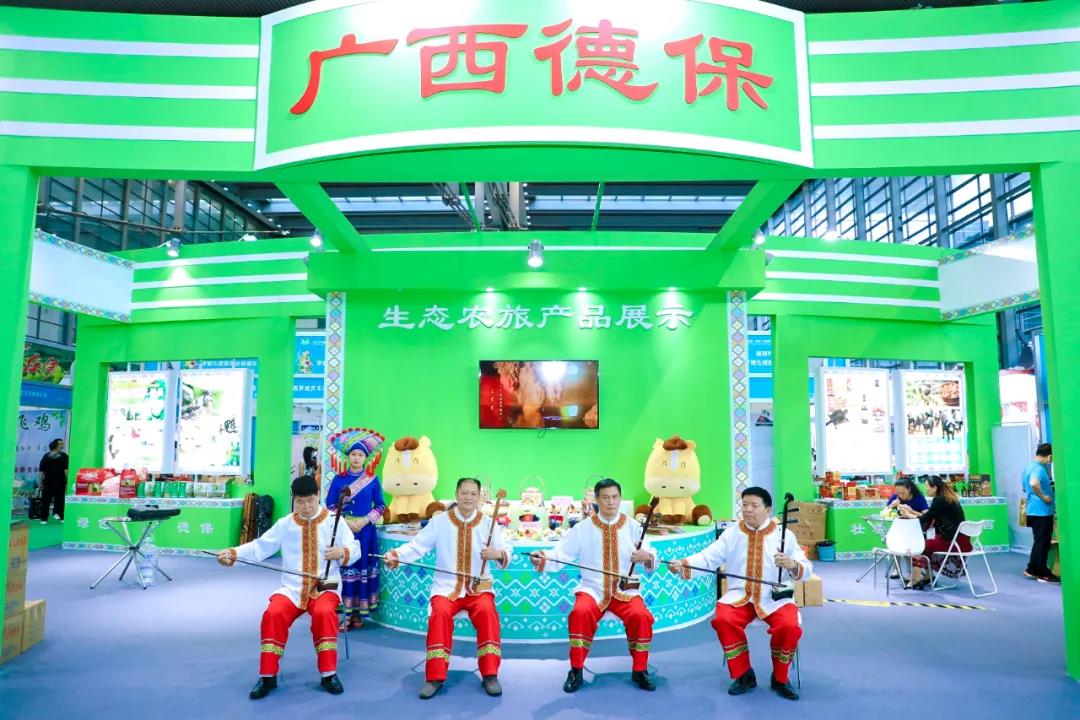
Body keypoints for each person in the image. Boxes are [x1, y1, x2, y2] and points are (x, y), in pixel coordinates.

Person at [217, 475, 360, 700]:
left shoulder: (335, 520)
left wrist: (341, 552)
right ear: (294, 500)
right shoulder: (285, 524)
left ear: (318, 496)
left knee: (324, 612)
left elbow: (355, 548)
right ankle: (267, 676)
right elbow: (260, 547)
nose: (306, 507)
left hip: (326, 585)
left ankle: (328, 674)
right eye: (300, 502)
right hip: (293, 588)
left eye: (310, 500)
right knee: (273, 613)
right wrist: (233, 553)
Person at [667, 487, 810, 701]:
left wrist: (792, 565)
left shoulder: (785, 535)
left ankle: (780, 677)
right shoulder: (732, 533)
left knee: (789, 626)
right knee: (723, 619)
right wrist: (683, 564)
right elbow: (709, 557)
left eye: (754, 505)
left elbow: (805, 568)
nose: (748, 510)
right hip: (740, 595)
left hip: (775, 598)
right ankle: (743, 675)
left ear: (768, 510)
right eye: (745, 505)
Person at [383, 477, 510, 700]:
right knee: (439, 614)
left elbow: (506, 549)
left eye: (473, 493)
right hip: (446, 588)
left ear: (479, 497)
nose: (468, 497)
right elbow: (417, 546)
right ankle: (435, 677)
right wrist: (396, 556)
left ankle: (490, 674)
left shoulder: (489, 523)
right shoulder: (440, 522)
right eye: (464, 492)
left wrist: (497, 554)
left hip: (479, 588)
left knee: (488, 612)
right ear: (456, 494)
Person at [530, 478, 657, 694]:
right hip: (592, 589)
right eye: (605, 497)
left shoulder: (634, 527)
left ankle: (640, 669)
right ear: (596, 500)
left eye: (615, 497)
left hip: (625, 590)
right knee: (579, 613)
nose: (611, 502)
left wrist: (647, 556)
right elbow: (561, 554)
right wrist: (542, 557)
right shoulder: (582, 529)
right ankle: (576, 670)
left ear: (620, 498)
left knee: (641, 616)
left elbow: (653, 554)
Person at [323, 428, 387, 630]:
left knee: (362, 569)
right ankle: (346, 615)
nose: (356, 458)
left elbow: (381, 506)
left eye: (360, 455)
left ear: (366, 458)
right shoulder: (338, 479)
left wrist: (365, 520)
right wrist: (346, 522)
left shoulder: (373, 480)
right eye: (353, 454)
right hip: (344, 531)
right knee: (346, 570)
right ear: (348, 456)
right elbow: (330, 505)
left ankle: (358, 614)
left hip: (366, 532)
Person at [903, 476, 969, 589]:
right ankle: (927, 576)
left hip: (952, 542)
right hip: (961, 540)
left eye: (927, 487)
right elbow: (930, 515)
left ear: (934, 488)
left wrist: (908, 515)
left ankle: (915, 579)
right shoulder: (947, 498)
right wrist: (912, 512)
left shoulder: (939, 500)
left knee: (919, 546)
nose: (926, 489)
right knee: (926, 544)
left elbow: (926, 518)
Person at [1022, 443, 1058, 583]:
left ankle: (1031, 569)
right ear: (1049, 456)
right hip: (1041, 510)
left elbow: (1025, 487)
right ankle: (1042, 573)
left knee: (1039, 541)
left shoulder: (1028, 467)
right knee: (1042, 542)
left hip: (1033, 509)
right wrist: (1044, 497)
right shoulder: (1038, 468)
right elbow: (1033, 483)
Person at [38, 438, 68, 525]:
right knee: (46, 501)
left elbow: (66, 470)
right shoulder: (46, 456)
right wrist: (40, 483)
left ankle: (60, 516)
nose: (62, 445)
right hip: (48, 482)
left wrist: (67, 481)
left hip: (60, 482)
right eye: (61, 444)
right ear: (56, 445)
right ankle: (44, 518)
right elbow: (41, 471)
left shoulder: (64, 456)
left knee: (60, 500)